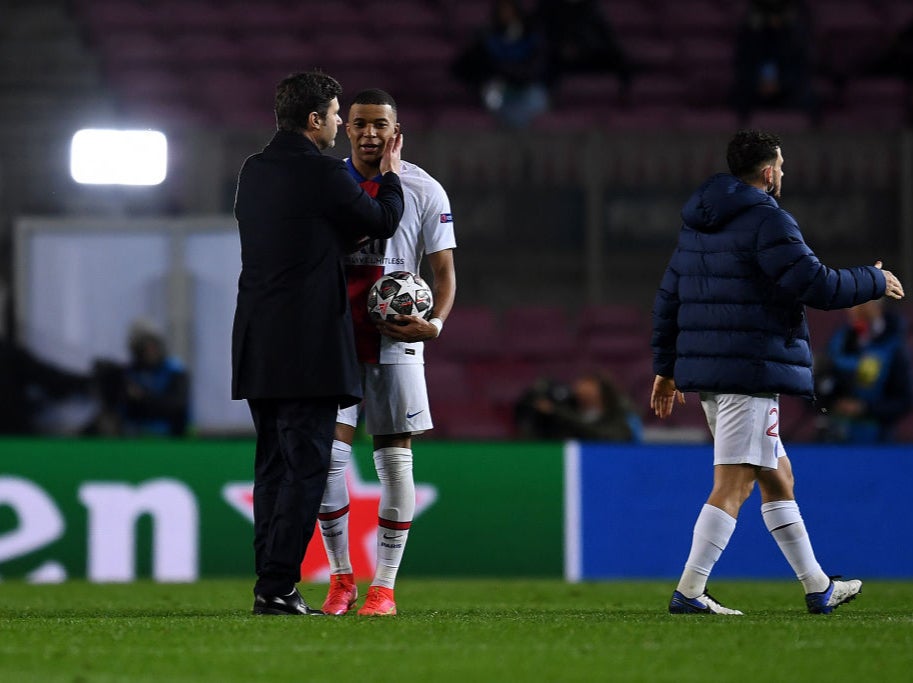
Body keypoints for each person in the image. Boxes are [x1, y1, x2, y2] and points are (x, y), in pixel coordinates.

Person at [650, 129, 905, 615]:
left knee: (777, 475)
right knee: (735, 483)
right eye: (781, 165)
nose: (783, 172)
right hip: (751, 371)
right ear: (768, 172)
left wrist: (665, 369)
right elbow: (815, 283)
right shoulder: (768, 220)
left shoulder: (697, 223)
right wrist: (873, 279)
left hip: (711, 372)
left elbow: (669, 297)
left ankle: (817, 586)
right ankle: (690, 591)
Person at [232, 71, 405, 616]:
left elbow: (295, 233)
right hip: (308, 346)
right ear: (314, 120)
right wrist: (392, 174)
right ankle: (279, 586)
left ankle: (269, 582)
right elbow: (383, 219)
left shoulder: (252, 172)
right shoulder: (325, 174)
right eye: (334, 115)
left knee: (272, 469)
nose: (338, 123)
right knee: (306, 468)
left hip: (257, 340)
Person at [316, 88, 456, 617]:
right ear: (346, 128)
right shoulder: (328, 184)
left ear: (397, 132)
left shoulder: (425, 189)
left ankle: (385, 588)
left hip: (396, 339)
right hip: (336, 339)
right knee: (329, 457)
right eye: (360, 124)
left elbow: (443, 271)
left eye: (380, 124)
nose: (370, 133)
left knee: (394, 459)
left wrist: (436, 323)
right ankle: (341, 578)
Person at [813, 299, 913, 443]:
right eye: (851, 303)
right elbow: (817, 388)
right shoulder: (839, 340)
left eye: (862, 303)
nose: (855, 309)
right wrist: (830, 404)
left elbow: (903, 401)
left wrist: (864, 408)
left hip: (877, 443)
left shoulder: (894, 346)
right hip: (834, 440)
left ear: (877, 304)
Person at [451, 0, 551, 128]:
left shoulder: (531, 36)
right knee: (492, 101)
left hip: (525, 86)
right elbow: (464, 68)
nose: (506, 15)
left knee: (537, 99)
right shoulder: (488, 37)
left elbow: (535, 66)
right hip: (497, 87)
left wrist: (514, 72)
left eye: (510, 11)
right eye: (503, 11)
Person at [91, 318, 190, 437]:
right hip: (135, 437)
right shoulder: (128, 373)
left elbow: (175, 405)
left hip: (172, 438)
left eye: (153, 345)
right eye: (144, 347)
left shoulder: (174, 370)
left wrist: (142, 397)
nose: (150, 351)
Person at [732, 0, 819, 125]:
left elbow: (800, 68)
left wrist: (781, 84)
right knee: (739, 97)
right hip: (755, 87)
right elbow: (743, 63)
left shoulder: (796, 33)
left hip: (788, 87)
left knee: (810, 97)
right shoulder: (750, 32)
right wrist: (759, 83)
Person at [534, 0, 634, 94]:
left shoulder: (590, 6)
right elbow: (541, 31)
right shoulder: (549, 5)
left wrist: (584, 47)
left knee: (618, 55)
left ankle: (626, 94)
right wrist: (560, 46)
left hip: (587, 50)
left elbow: (605, 33)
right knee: (546, 61)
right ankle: (549, 95)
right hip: (557, 52)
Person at [514, 371, 642, 441]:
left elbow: (611, 436)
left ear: (601, 392)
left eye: (590, 386)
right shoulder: (569, 407)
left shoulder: (618, 414)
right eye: (581, 384)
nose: (581, 389)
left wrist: (556, 412)